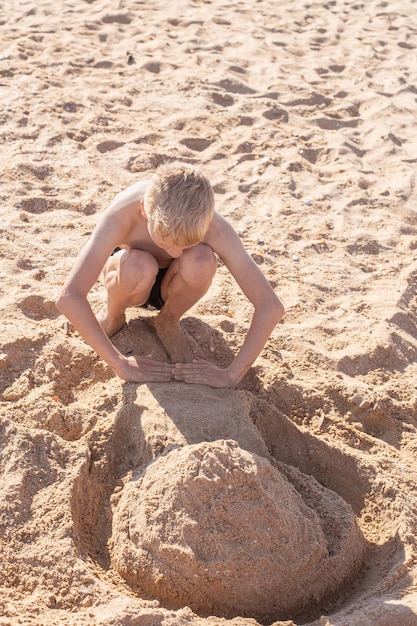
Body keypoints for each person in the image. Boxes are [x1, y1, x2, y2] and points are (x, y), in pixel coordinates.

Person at [56, 162, 284, 388]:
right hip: (130, 276)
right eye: (165, 242)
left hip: (174, 286)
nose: (174, 252)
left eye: (185, 245)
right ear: (146, 210)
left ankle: (168, 320)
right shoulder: (123, 215)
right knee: (139, 263)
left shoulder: (213, 226)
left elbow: (270, 306)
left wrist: (231, 376)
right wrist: (120, 364)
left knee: (201, 258)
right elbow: (69, 297)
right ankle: (113, 316)